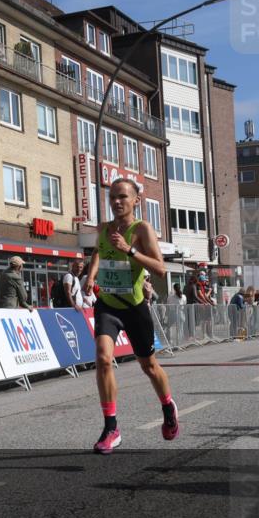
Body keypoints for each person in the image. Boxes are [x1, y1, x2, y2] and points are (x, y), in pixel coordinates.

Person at [85, 178, 177, 455]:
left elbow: (161, 269)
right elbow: (99, 252)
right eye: (112, 197)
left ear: (136, 200)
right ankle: (111, 427)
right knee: (102, 358)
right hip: (108, 305)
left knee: (148, 365)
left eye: (122, 197)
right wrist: (90, 276)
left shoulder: (142, 229)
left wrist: (130, 250)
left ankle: (167, 404)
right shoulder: (103, 228)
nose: (116, 202)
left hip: (135, 306)